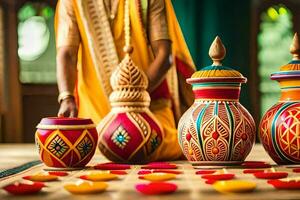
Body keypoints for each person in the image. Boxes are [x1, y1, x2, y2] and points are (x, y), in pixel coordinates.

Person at [55, 0, 195, 160]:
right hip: (97, 112)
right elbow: (67, 54)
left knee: (154, 143)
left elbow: (165, 56)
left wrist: (133, 97)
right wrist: (66, 97)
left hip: (147, 107)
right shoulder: (71, 2)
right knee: (94, 144)